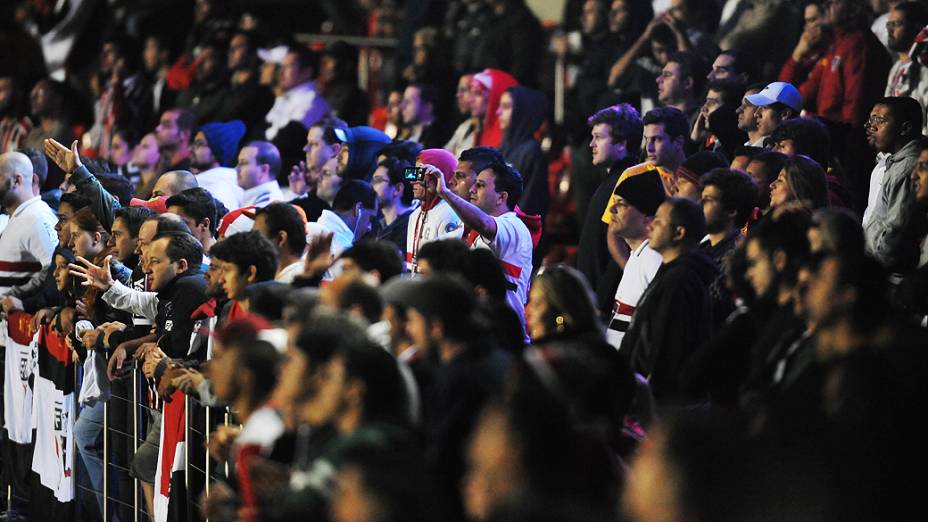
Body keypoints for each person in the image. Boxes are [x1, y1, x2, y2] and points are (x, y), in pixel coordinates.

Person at [620, 197, 717, 401]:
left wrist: (651, 401)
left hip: (661, 403)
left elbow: (668, 348)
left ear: (679, 233)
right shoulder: (670, 273)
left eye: (659, 221)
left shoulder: (680, 281)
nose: (651, 225)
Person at [433, 156, 533, 338]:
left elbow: (485, 224)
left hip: (505, 338)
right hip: (486, 333)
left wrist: (445, 193)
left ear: (501, 198)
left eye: (480, 185)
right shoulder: (476, 232)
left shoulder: (514, 226)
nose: (471, 189)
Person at [576, 104, 644, 317]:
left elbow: (622, 246)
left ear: (622, 143)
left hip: (605, 306)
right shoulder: (610, 181)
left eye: (599, 138)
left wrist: (600, 301)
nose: (591, 144)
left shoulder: (627, 182)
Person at [779, 0, 892, 127]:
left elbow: (855, 102)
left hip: (841, 134)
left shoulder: (857, 43)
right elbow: (795, 96)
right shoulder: (836, 45)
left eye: (834, 2)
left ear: (853, 6)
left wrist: (848, 137)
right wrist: (796, 56)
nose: (827, 6)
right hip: (828, 129)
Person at [604, 170, 666, 348]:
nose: (611, 209)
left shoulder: (654, 259)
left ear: (648, 217)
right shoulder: (637, 255)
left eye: (621, 204)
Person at [862, 97, 923, 272]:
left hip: (889, 274)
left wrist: (875, 270)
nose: (870, 126)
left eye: (879, 120)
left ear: (905, 128)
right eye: (870, 119)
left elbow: (897, 231)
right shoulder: (889, 162)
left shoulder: (906, 169)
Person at [0, 151, 58, 296]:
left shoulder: (37, 218)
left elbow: (55, 269)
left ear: (17, 180)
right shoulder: (18, 216)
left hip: (21, 316)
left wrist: (18, 295)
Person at [406, 149, 464, 273]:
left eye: (420, 173)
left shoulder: (450, 213)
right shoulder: (414, 215)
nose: (412, 181)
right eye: (413, 173)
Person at [498, 86, 549, 217]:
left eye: (506, 106)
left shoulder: (532, 152)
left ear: (521, 112)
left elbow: (529, 203)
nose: (498, 112)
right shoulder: (503, 148)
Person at [288, 117, 348, 221]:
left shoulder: (336, 192)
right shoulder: (310, 188)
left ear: (334, 150)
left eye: (314, 144)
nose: (305, 149)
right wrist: (304, 192)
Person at [265, 46, 330, 140]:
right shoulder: (286, 97)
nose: (281, 72)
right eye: (281, 66)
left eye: (288, 66)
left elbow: (288, 140)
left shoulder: (313, 103)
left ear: (307, 72)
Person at [209, 230, 279, 318]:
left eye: (227, 270)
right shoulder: (229, 308)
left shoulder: (275, 322)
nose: (221, 279)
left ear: (251, 274)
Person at [884, 2, 928, 134]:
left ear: (916, 28)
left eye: (897, 24)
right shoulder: (896, 68)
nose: (890, 30)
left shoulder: (924, 68)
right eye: (888, 24)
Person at [190, 120, 246, 211]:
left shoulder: (219, 191)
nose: (192, 148)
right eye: (194, 143)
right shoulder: (205, 181)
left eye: (200, 144)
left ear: (217, 151)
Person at [365, 157, 415, 253]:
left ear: (397, 189)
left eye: (378, 180)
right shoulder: (377, 226)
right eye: (372, 181)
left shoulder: (410, 227)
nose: (370, 186)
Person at [253, 202, 308, 283]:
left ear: (281, 239)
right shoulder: (294, 275)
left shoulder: (289, 282)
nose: (252, 242)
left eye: (257, 237)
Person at [470, 69, 519, 148]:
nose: (470, 100)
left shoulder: (505, 142)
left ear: (495, 97)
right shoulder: (476, 130)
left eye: (478, 94)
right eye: (471, 93)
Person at [745, 82, 802, 148]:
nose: (756, 114)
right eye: (758, 107)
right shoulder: (766, 146)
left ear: (784, 114)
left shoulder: (793, 154)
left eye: (764, 108)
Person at [656, 51, 707, 124]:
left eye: (667, 75)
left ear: (687, 83)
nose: (658, 79)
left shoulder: (701, 122)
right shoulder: (657, 120)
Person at [165, 187, 220, 254]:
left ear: (205, 224)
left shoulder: (223, 262)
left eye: (180, 223)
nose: (170, 230)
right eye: (169, 223)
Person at [399, 83, 448, 149]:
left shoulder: (438, 137)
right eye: (403, 101)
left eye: (408, 102)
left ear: (427, 107)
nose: (402, 106)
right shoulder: (408, 135)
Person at [236, 140, 284, 207]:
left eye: (243, 163)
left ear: (263, 170)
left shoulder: (268, 205)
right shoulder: (259, 200)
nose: (237, 169)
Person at [154, 108, 197, 173]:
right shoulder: (163, 166)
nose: (158, 129)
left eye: (166, 125)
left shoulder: (192, 171)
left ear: (185, 134)